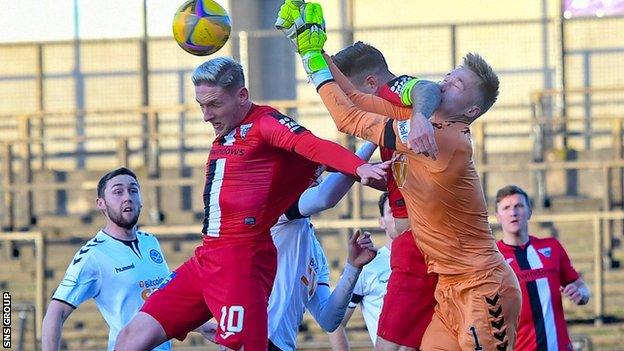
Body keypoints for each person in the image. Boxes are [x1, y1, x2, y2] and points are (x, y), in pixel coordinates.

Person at [276, 3, 521, 350]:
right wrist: (311, 48)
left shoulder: (444, 136)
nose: (445, 82)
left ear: (471, 111)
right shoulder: (425, 124)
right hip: (448, 287)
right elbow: (358, 99)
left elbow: (350, 119)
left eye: (457, 84)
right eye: (449, 75)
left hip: (482, 287)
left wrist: (313, 57)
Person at [114, 57, 389, 351]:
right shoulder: (227, 131)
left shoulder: (265, 124)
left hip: (242, 262)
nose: (206, 115)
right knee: (131, 338)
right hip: (207, 257)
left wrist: (358, 168)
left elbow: (312, 146)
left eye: (214, 104)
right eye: (201, 105)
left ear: (242, 95)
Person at [197, 141, 380, 351]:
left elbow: (328, 319)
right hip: (248, 338)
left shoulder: (314, 249)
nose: (313, 177)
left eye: (314, 171)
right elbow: (324, 198)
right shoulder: (275, 208)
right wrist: (371, 143)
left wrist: (353, 267)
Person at [329, 42, 438, 351]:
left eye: (353, 95)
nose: (352, 104)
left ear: (372, 84)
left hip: (421, 245)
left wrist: (420, 117)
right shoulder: (388, 126)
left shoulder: (398, 94)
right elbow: (406, 179)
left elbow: (427, 88)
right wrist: (372, 175)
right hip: (417, 246)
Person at [41, 167, 171, 351]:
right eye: (118, 192)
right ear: (101, 203)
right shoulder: (94, 255)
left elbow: (166, 301)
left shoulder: (151, 242)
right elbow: (56, 311)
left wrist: (201, 327)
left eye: (133, 190)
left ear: (141, 200)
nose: (127, 197)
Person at [494, 185, 590, 351]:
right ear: (498, 216)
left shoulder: (551, 247)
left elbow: (582, 288)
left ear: (529, 212)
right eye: (506, 208)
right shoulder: (492, 259)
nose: (513, 212)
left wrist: (580, 293)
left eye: (519, 206)